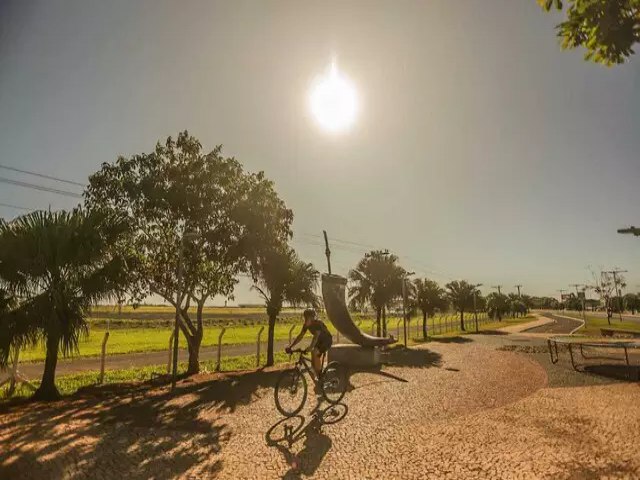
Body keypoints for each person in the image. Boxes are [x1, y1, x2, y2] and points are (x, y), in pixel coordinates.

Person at [285, 308, 332, 379]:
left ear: (312, 318)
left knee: (315, 352)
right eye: (305, 318)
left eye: (307, 318)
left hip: (327, 340)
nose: (305, 320)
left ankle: (321, 376)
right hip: (319, 341)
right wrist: (291, 346)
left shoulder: (318, 323)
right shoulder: (306, 325)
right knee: (313, 359)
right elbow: (300, 336)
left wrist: (310, 347)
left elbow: (316, 336)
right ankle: (318, 374)